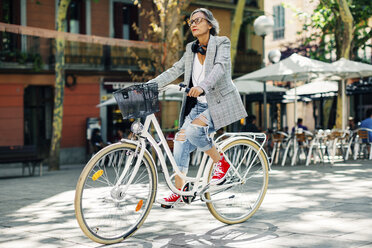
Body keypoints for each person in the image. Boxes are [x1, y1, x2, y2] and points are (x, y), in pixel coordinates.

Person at [148, 8, 247, 206]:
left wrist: (203, 86)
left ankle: (222, 163)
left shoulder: (222, 43)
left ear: (209, 24)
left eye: (198, 20)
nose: (193, 24)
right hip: (198, 105)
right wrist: (151, 85)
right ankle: (180, 189)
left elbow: (220, 67)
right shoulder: (190, 49)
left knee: (193, 132)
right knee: (180, 139)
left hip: (219, 102)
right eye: (190, 21)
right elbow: (175, 70)